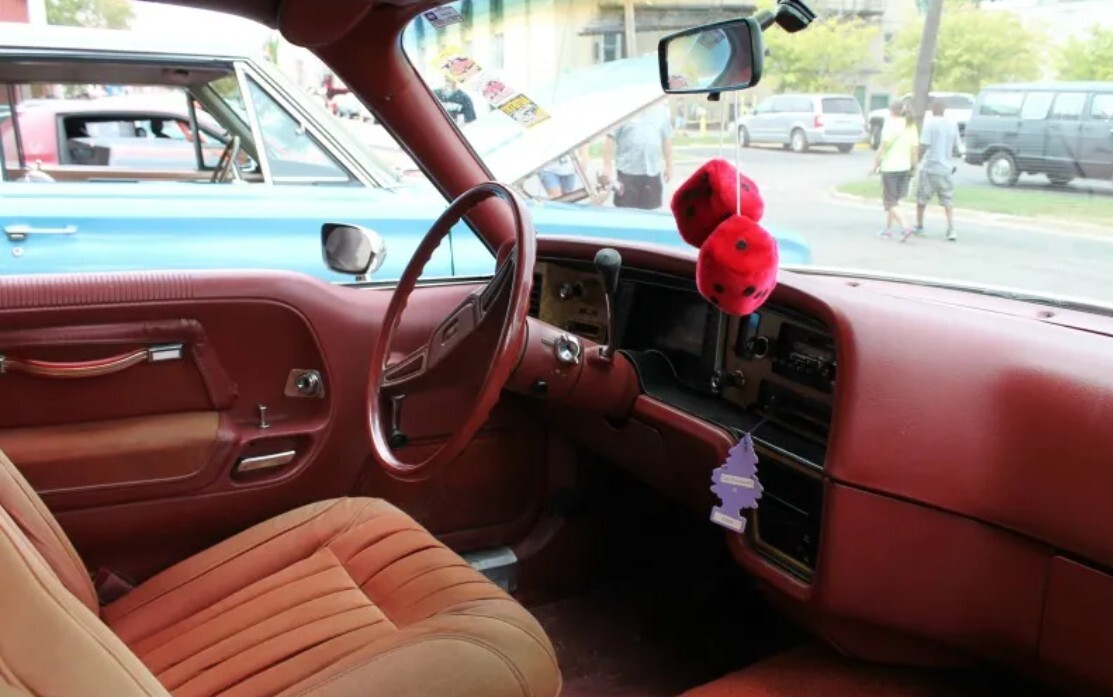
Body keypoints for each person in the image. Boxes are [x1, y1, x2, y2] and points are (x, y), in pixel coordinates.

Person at [602, 103, 674, 210]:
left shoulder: (661, 111)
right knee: (625, 213)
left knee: (651, 213)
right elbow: (610, 137)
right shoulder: (622, 111)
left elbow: (666, 139)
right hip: (627, 174)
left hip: (652, 173)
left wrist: (669, 165)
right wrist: (607, 167)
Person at [913, 99, 963, 242]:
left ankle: (920, 226)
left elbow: (924, 145)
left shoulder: (930, 124)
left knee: (922, 199)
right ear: (944, 110)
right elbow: (958, 146)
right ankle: (951, 229)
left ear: (933, 110)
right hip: (946, 169)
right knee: (947, 200)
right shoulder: (952, 125)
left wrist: (916, 161)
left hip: (930, 168)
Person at [871, 100, 919, 239]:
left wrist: (875, 164)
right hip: (905, 168)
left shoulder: (891, 124)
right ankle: (888, 229)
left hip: (890, 168)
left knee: (890, 202)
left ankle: (905, 226)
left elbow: (883, 147)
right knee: (894, 200)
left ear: (892, 111)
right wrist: (915, 167)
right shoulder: (911, 125)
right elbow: (914, 150)